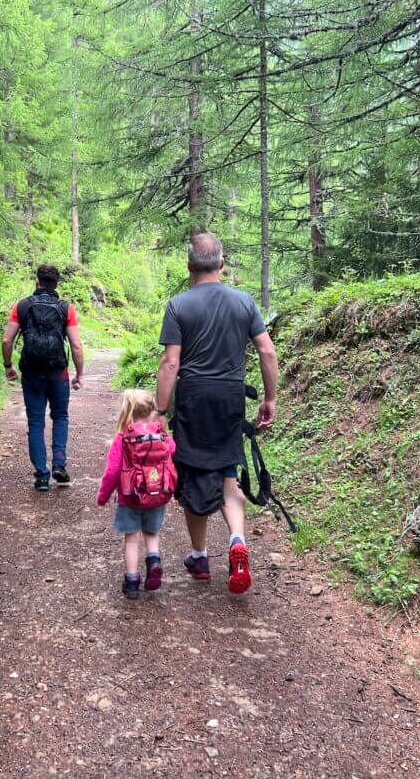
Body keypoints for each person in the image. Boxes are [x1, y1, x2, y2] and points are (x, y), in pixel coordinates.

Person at [154, 233, 278, 594]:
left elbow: (170, 362)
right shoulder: (244, 302)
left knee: (193, 476)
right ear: (222, 264)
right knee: (227, 471)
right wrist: (269, 398)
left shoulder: (179, 305)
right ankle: (237, 539)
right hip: (230, 397)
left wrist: (160, 411)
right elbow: (267, 353)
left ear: (190, 266)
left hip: (193, 398)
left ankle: (200, 555)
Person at [2, 265, 85, 492]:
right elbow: (76, 345)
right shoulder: (65, 308)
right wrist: (79, 374)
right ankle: (59, 464)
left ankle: (41, 475)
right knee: (60, 417)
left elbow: (7, 340)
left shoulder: (22, 305)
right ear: (56, 284)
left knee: (36, 422)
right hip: (58, 372)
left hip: (31, 372)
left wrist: (8, 365)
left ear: (37, 281)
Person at [97, 389, 176, 599]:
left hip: (129, 497)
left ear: (128, 413)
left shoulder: (123, 438)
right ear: (152, 412)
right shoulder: (162, 435)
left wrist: (103, 496)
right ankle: (154, 560)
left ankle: (131, 582)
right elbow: (173, 451)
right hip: (157, 494)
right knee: (152, 532)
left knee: (131, 539)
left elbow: (112, 471)